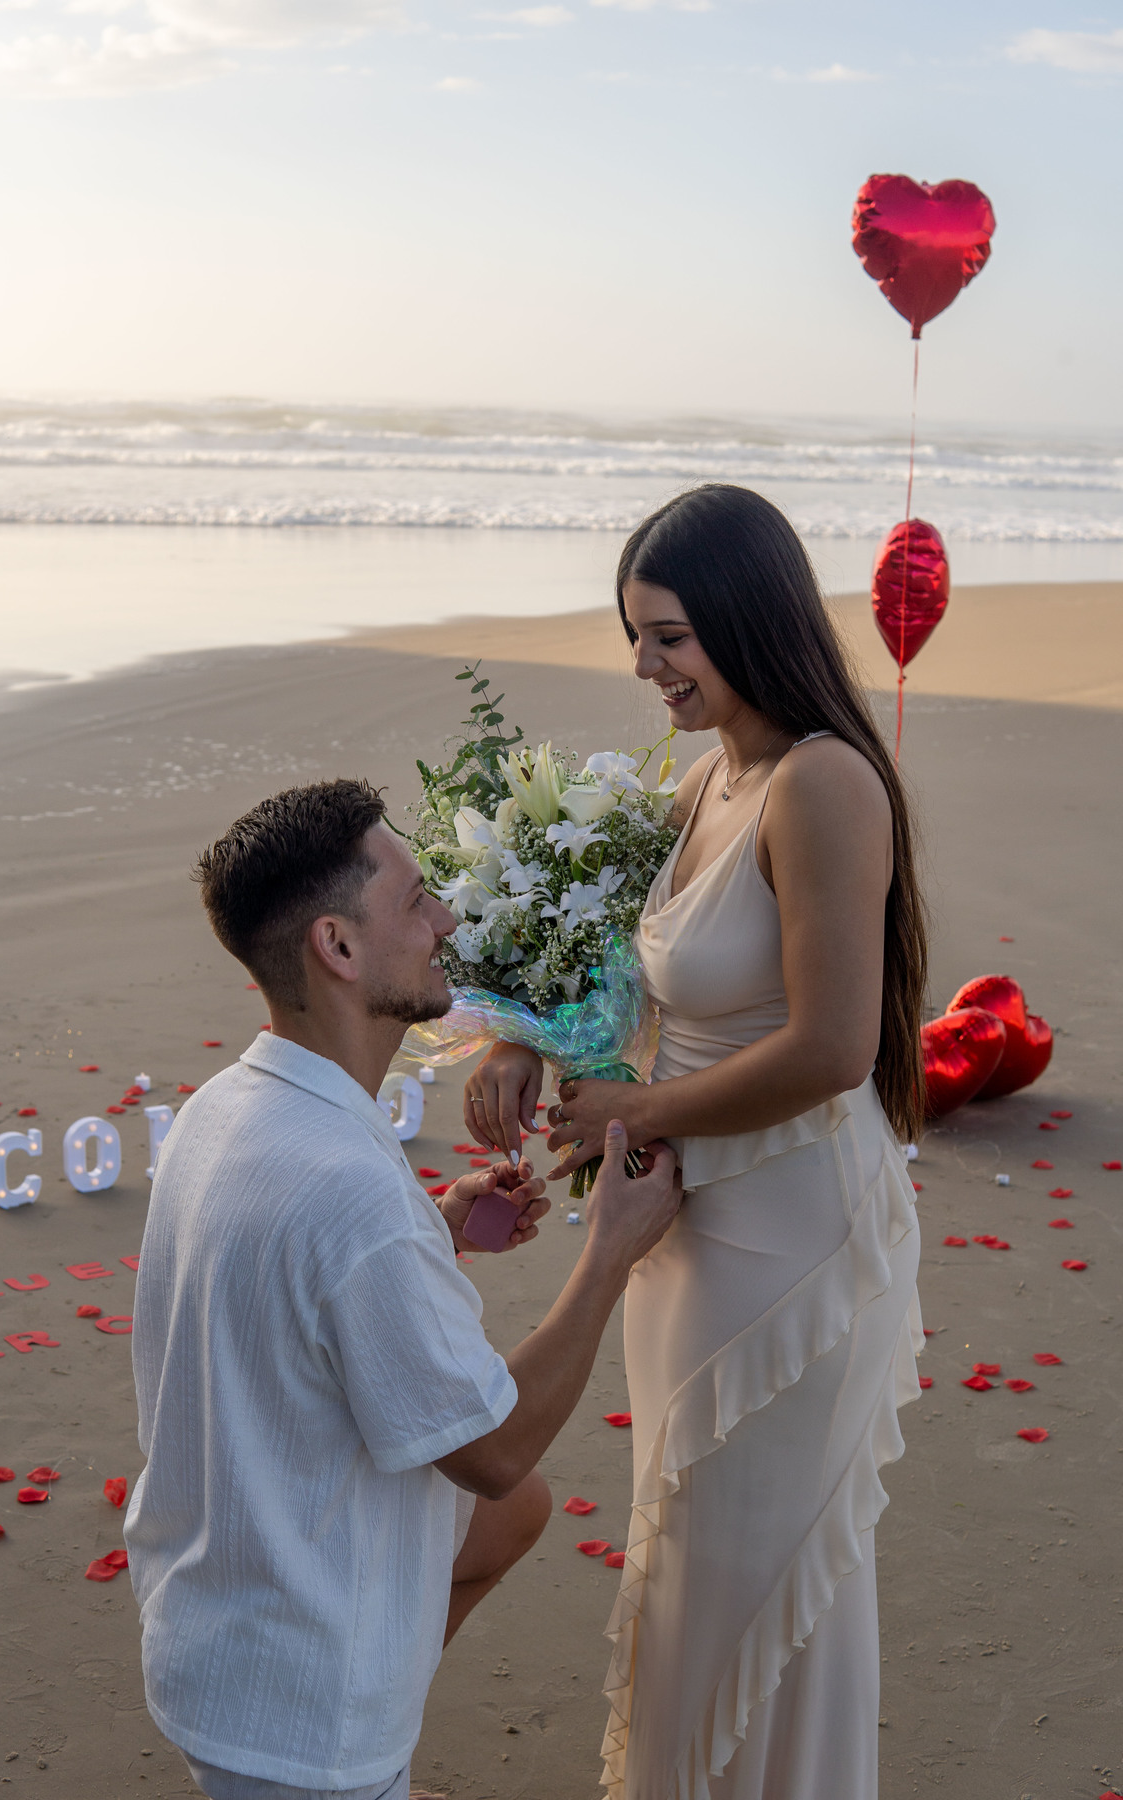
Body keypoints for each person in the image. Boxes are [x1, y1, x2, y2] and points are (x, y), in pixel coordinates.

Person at [463, 484, 928, 1800]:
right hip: (685, 1224)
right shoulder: (712, 775)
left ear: (745, 618)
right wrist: (523, 1037)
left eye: (667, 635)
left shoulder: (824, 783)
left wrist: (639, 1113)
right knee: (687, 1541)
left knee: (756, 1567)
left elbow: (834, 1048)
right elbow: (622, 968)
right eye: (634, 635)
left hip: (789, 1230)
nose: (643, 665)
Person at [123, 778, 679, 1800]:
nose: (447, 923)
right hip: (295, 1711)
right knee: (508, 1489)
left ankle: (374, 1715)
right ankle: (357, 1756)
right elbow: (494, 1452)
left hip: (208, 1630)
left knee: (514, 1520)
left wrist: (434, 1226)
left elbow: (286, 1261)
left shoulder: (225, 1106)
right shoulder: (349, 1189)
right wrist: (610, 1251)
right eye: (417, 901)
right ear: (337, 946)